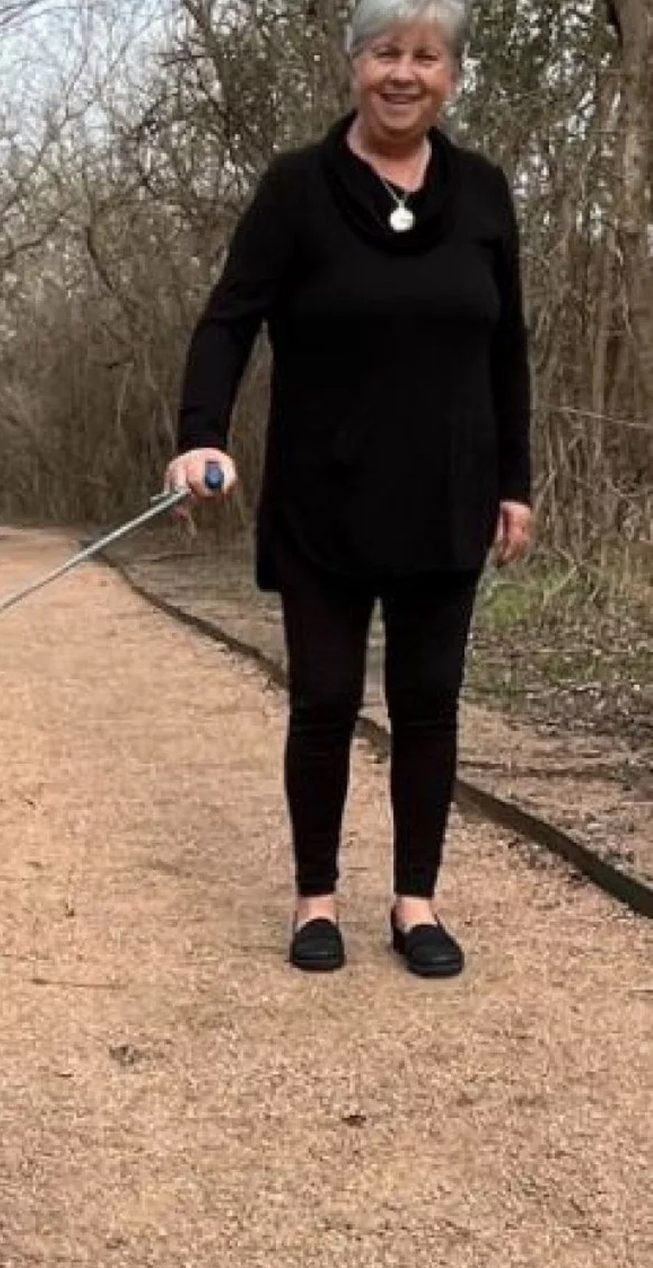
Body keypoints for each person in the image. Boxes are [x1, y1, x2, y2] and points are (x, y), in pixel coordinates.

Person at [163, 0, 532, 978]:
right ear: (352, 65)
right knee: (322, 698)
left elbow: (506, 353)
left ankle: (415, 902)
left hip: (447, 494)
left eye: (424, 56)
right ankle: (313, 898)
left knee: (426, 699)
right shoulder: (293, 190)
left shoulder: (485, 194)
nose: (402, 73)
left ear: (448, 74)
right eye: (384, 53)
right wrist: (199, 434)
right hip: (321, 498)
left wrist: (515, 484)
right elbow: (226, 321)